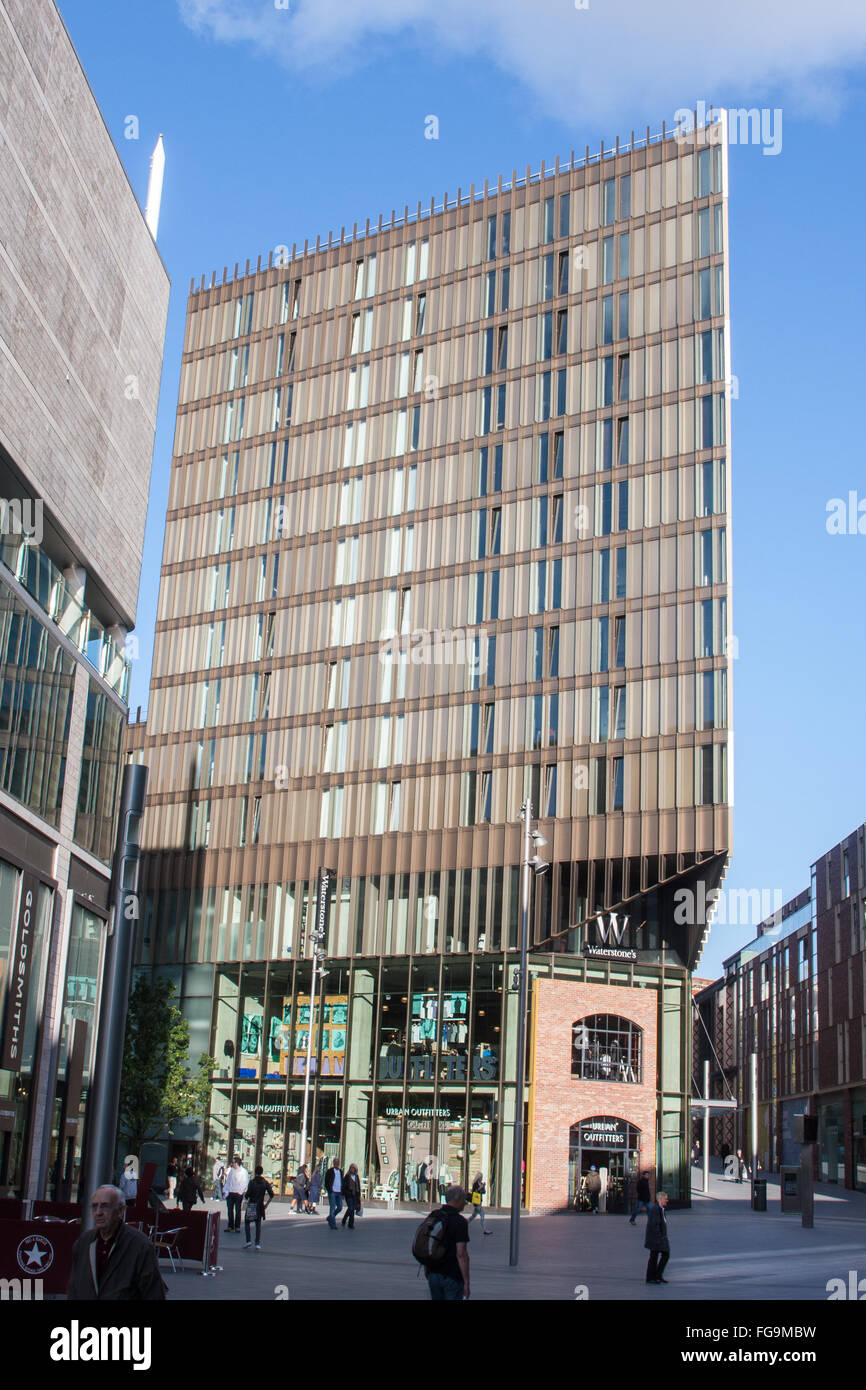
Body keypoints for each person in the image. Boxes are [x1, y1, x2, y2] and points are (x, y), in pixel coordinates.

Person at [68, 1186, 165, 1300]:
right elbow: (73, 1288)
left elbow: (154, 1294)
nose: (98, 1212)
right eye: (94, 1206)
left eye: (105, 1206)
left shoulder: (140, 1246)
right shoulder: (83, 1243)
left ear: (120, 1211)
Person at [424, 1184, 471, 1301]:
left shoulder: (434, 1216)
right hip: (452, 1275)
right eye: (464, 1199)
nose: (465, 1203)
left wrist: (427, 1268)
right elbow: (461, 1254)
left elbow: (427, 1243)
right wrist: (466, 1282)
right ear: (457, 1199)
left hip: (434, 1273)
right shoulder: (460, 1222)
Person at [243, 1165, 274, 1249]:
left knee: (247, 1222)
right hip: (260, 1205)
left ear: (255, 1172)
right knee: (258, 1223)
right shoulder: (265, 1182)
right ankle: (257, 1243)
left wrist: (246, 1196)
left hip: (252, 1204)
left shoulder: (252, 1182)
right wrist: (266, 1204)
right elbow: (271, 1194)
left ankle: (248, 1240)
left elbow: (247, 1195)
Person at [644, 1191, 670, 1285]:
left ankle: (657, 1275)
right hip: (656, 1238)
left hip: (660, 1238)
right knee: (655, 1257)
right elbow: (654, 1225)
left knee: (663, 1255)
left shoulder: (661, 1209)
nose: (667, 1200)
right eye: (665, 1199)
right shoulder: (655, 1209)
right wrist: (659, 1237)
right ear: (660, 1199)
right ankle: (651, 1277)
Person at [224, 1156, 249, 1232]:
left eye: (233, 1162)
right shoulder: (231, 1170)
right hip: (230, 1192)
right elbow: (228, 1181)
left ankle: (237, 1226)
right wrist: (225, 1190)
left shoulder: (244, 1171)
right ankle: (230, 1226)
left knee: (238, 1210)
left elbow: (245, 1182)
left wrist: (240, 1191)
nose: (232, 1164)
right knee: (229, 1210)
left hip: (238, 1193)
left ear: (237, 1163)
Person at [341, 1163, 362, 1228]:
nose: (352, 1170)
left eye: (353, 1168)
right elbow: (344, 1186)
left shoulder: (356, 1177)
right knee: (351, 1208)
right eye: (351, 1168)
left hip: (355, 1195)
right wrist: (344, 1194)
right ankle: (350, 1223)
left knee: (352, 1209)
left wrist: (359, 1196)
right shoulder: (347, 1176)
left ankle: (346, 1220)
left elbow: (358, 1186)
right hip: (349, 1195)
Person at [325, 1157, 343, 1228]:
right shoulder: (330, 1171)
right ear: (333, 1163)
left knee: (340, 1207)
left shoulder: (340, 1171)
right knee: (332, 1208)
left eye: (338, 1162)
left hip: (339, 1192)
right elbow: (326, 1181)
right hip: (332, 1191)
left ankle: (330, 1217)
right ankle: (333, 1224)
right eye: (335, 1162)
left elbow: (342, 1181)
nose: (337, 1163)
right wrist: (329, 1189)